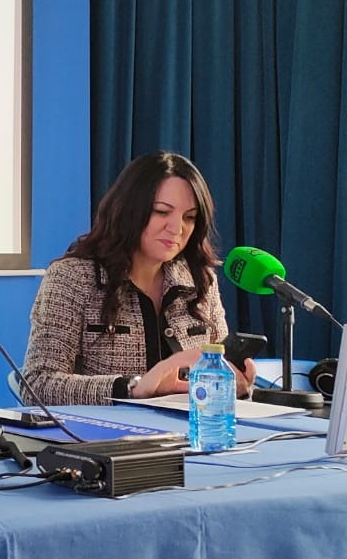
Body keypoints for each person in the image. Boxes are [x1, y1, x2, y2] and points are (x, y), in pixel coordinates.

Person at [24, 150, 256, 407]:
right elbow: (37, 384)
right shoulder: (73, 278)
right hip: (104, 440)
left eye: (189, 217)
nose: (177, 228)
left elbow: (218, 375)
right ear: (128, 210)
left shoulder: (200, 280)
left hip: (191, 437)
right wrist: (132, 388)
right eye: (161, 211)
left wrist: (236, 386)